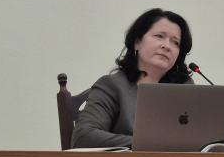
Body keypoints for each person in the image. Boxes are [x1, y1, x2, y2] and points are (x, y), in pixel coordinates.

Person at [72, 8, 193, 148]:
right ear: (137, 42)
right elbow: (83, 136)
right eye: (159, 36)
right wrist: (147, 144)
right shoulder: (112, 86)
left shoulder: (185, 87)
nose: (167, 46)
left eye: (175, 42)